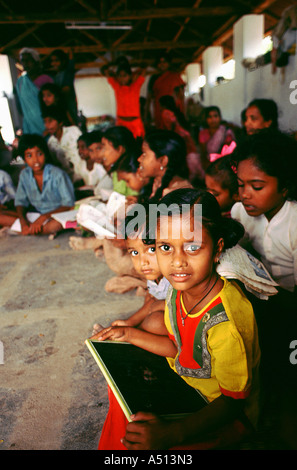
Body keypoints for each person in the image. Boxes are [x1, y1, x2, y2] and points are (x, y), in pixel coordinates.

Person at [94, 187, 260, 450]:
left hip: (218, 411)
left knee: (153, 443)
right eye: (165, 247)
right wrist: (127, 334)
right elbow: (179, 348)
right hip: (187, 384)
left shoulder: (225, 321)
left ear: (217, 249)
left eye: (193, 247)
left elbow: (233, 401)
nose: (178, 261)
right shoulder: (178, 291)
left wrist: (173, 433)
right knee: (121, 397)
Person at [231, 130, 297, 395]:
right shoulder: (240, 213)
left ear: (285, 186)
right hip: (263, 295)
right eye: (240, 184)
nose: (245, 194)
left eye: (257, 187)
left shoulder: (293, 223)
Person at [92, 203, 169, 337]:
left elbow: (178, 306)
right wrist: (129, 322)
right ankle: (130, 332)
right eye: (134, 252)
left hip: (182, 324)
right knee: (149, 301)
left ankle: (132, 335)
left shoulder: (176, 276)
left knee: (155, 322)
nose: (142, 262)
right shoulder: (154, 272)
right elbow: (151, 300)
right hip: (162, 310)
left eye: (151, 249)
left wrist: (156, 307)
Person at [14, 134, 75, 237]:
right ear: (23, 158)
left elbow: (69, 204)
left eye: (39, 154)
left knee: (55, 225)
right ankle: (31, 228)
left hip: (58, 215)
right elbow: (20, 202)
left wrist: (44, 217)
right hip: (37, 215)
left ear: (45, 154)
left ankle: (30, 230)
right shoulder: (25, 175)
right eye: (29, 156)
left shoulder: (57, 174)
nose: (35, 160)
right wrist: (23, 222)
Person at [137, 129, 192, 203]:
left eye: (144, 154)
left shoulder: (178, 192)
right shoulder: (155, 184)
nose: (139, 159)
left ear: (163, 160)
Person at [159, 95, 203, 182]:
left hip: (179, 137)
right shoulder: (175, 111)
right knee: (190, 155)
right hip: (184, 135)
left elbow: (169, 127)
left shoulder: (165, 112)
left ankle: (190, 179)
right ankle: (198, 177)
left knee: (184, 158)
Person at [14, 48, 54, 135]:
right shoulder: (20, 82)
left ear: (36, 62)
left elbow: (54, 104)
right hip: (29, 125)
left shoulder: (45, 79)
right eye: (23, 61)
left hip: (47, 124)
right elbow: (19, 105)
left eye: (28, 60)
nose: (25, 64)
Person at [104, 57, 145, 138]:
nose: (122, 78)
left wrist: (136, 70)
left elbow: (143, 69)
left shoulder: (135, 86)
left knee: (137, 144)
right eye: (120, 76)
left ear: (130, 76)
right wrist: (112, 65)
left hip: (135, 123)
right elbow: (105, 70)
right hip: (121, 122)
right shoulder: (117, 87)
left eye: (125, 75)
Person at [145, 53, 185, 129]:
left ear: (169, 63)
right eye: (160, 63)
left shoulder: (174, 76)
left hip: (173, 108)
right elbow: (149, 96)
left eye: (165, 62)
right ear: (157, 65)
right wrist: (147, 114)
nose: (162, 64)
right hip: (159, 108)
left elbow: (181, 95)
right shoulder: (154, 78)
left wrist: (182, 112)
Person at [43, 105, 82, 183]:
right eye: (45, 122)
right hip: (68, 180)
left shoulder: (73, 132)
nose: (47, 125)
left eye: (50, 121)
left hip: (83, 175)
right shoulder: (51, 142)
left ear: (60, 122)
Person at [198, 106, 235, 170]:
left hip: (223, 163)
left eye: (215, 116)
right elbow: (203, 152)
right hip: (208, 162)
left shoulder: (225, 131)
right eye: (210, 117)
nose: (213, 119)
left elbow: (228, 151)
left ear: (220, 118)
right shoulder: (203, 133)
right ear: (206, 119)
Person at [49, 49, 78, 125]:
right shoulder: (55, 76)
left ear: (63, 61)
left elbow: (66, 90)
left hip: (69, 111)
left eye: (56, 60)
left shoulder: (67, 73)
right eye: (52, 61)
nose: (53, 63)